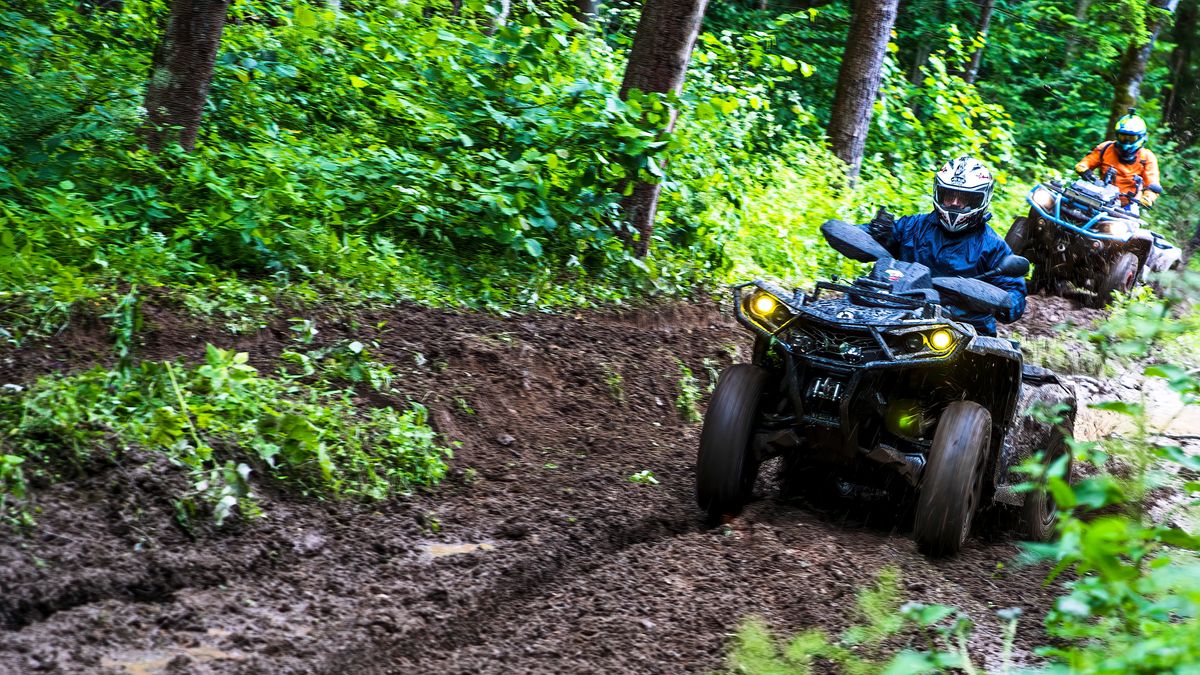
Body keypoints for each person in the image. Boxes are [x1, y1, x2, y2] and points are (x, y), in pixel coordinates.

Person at [864, 156, 1026, 337]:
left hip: (965, 330)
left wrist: (995, 303)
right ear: (939, 194)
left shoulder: (993, 246)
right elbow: (859, 235)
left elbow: (1015, 294)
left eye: (963, 197)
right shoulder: (913, 226)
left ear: (979, 200)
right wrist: (879, 233)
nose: (955, 202)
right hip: (899, 315)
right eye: (949, 195)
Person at [1074, 110, 1162, 213]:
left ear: (1141, 137)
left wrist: (1148, 198)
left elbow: (1152, 183)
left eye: (1131, 138)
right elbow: (1087, 162)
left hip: (1127, 207)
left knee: (1122, 223)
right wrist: (1084, 169)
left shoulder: (1147, 157)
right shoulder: (1106, 148)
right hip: (1099, 197)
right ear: (1117, 135)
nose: (1127, 141)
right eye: (1123, 136)